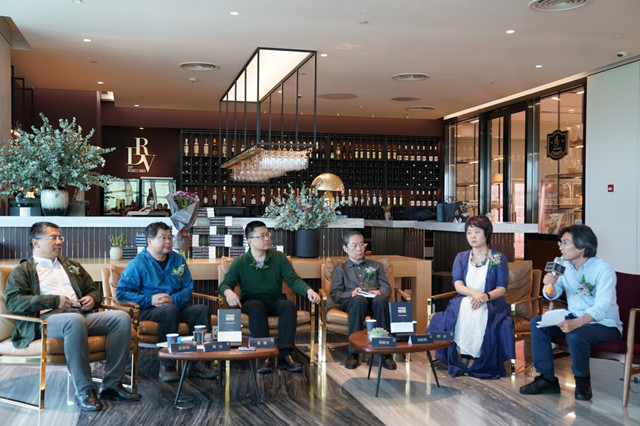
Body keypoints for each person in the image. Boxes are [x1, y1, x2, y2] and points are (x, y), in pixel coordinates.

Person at [4, 222, 140, 411]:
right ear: (36, 242)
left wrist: (92, 299)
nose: (59, 241)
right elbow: (14, 302)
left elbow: (93, 290)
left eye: (60, 237)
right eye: (53, 238)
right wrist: (53, 301)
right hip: (46, 320)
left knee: (121, 318)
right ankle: (84, 390)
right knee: (74, 321)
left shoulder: (71, 266)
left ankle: (112, 385)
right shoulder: (24, 270)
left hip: (79, 315)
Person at [520, 224, 621, 401]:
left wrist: (576, 323)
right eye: (560, 243)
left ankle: (582, 383)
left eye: (565, 243)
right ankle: (547, 379)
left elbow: (602, 306)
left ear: (582, 247)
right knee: (538, 323)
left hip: (604, 323)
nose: (560, 247)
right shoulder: (562, 263)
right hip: (574, 317)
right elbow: (553, 294)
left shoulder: (603, 270)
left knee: (576, 334)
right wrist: (549, 285)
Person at [116, 221, 216, 382]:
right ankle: (167, 365)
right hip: (148, 310)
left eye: (170, 237)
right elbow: (122, 293)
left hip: (176, 306)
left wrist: (173, 299)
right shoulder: (138, 263)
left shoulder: (178, 260)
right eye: (163, 238)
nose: (168, 241)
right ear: (149, 241)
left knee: (201, 310)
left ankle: (198, 363)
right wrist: (150, 299)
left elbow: (188, 287)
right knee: (169, 311)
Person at [218, 220, 321, 374]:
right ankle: (263, 355)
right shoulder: (240, 262)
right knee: (256, 307)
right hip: (251, 300)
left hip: (275, 299)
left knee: (288, 306)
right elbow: (225, 284)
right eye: (261, 236)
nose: (267, 239)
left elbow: (293, 280)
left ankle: (285, 355)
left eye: (267, 234)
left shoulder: (279, 258)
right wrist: (228, 292)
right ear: (250, 241)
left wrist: (308, 291)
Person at [427, 215, 514, 379]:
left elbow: (502, 288)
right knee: (467, 305)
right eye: (469, 233)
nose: (472, 236)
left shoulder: (497, 258)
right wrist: (476, 294)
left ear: (487, 233)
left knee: (477, 308)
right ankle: (467, 354)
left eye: (477, 232)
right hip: (465, 299)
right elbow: (458, 285)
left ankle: (472, 356)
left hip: (492, 302)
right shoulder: (461, 257)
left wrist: (485, 297)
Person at [330, 231, 396, 370]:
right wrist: (351, 294)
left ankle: (386, 351)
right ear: (345, 248)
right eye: (354, 245)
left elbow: (387, 288)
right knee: (359, 300)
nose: (359, 249)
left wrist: (379, 292)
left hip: (374, 302)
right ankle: (353, 352)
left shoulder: (376, 266)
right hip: (353, 303)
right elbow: (335, 294)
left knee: (381, 300)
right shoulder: (341, 269)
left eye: (361, 244)